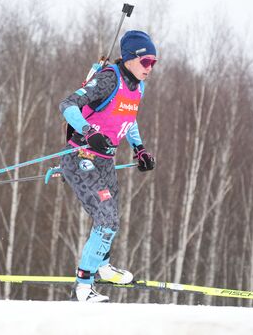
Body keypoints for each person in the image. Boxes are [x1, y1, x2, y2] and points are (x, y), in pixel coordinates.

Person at [59, 30, 157, 302]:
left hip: (104, 162)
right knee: (106, 219)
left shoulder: (138, 86)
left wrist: (140, 149)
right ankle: (82, 287)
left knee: (111, 217)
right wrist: (89, 131)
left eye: (153, 63)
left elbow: (129, 118)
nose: (149, 68)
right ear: (129, 59)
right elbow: (67, 104)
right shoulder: (108, 79)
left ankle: (102, 267)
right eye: (145, 62)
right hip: (81, 157)